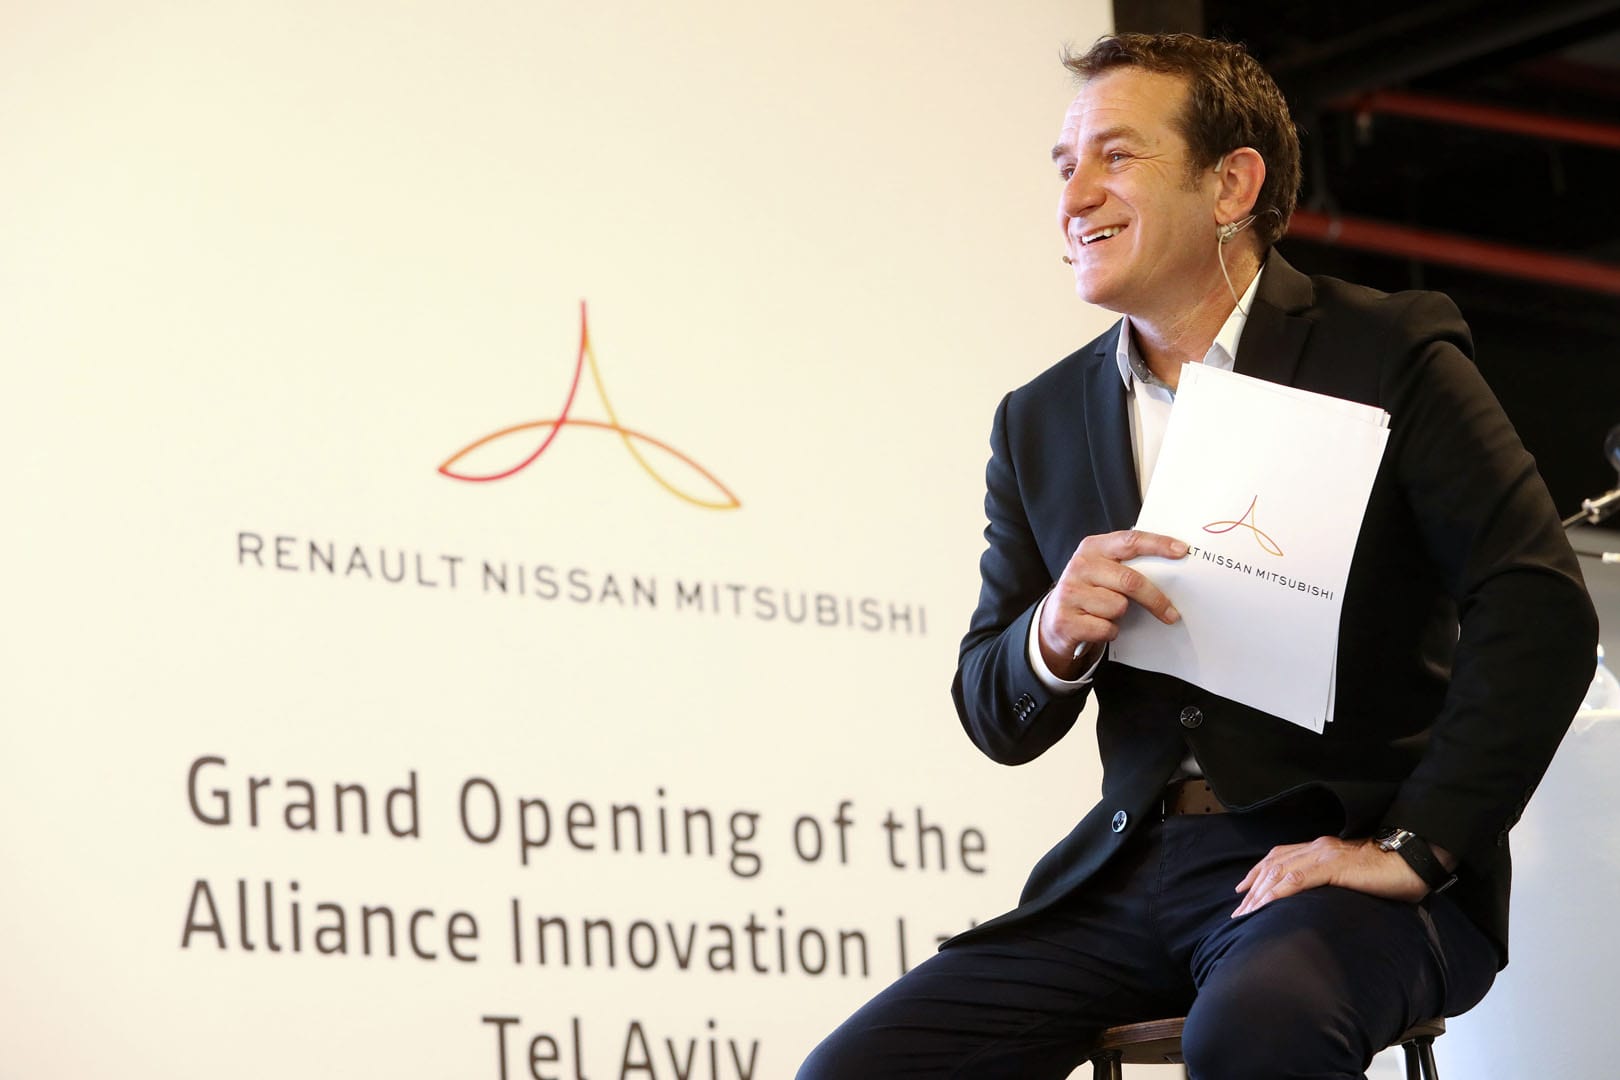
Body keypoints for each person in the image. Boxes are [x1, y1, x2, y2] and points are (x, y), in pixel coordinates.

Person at [799, 32, 1597, 1079]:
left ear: (1232, 184)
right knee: (854, 1070)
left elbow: (1537, 608)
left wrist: (1416, 846)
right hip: (1130, 873)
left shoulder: (1386, 352)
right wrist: (1050, 638)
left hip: (1338, 856)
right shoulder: (1038, 420)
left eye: (1115, 156)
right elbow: (991, 707)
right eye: (1063, 165)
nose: (1074, 196)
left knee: (1256, 1028)